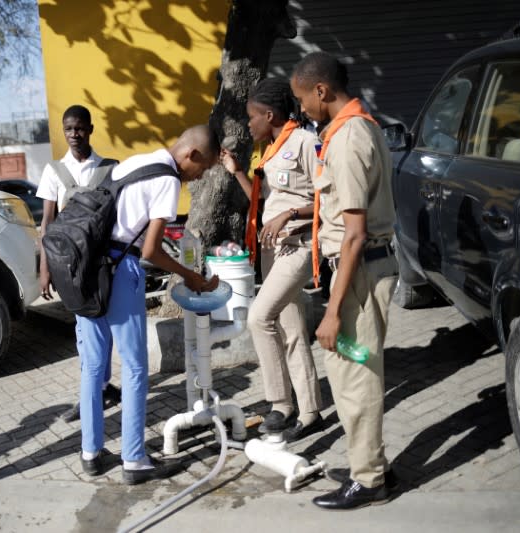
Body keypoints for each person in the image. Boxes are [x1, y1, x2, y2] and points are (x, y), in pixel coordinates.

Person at [76, 124, 220, 484]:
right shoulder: (168, 179)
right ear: (192, 155)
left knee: (93, 367)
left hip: (87, 268)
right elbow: (152, 250)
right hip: (119, 270)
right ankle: (135, 460)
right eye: (202, 170)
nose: (198, 177)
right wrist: (189, 275)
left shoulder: (134, 163)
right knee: (137, 368)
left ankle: (91, 452)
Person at [290, 52, 400, 510]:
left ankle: (369, 480)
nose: (301, 110)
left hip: (357, 274)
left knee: (355, 378)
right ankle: (370, 464)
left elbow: (353, 233)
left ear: (321, 91)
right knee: (354, 373)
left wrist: (333, 313)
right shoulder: (352, 130)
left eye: (302, 99)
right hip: (357, 271)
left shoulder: (350, 138)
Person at [219, 78, 324, 439]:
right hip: (272, 250)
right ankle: (310, 412)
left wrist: (291, 214)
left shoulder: (306, 143)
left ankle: (280, 403)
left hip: (297, 246)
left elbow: (330, 201)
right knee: (291, 330)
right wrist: (237, 174)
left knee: (259, 318)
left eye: (252, 117)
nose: (249, 124)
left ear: (269, 113)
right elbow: (262, 204)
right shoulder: (269, 150)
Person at [36, 105, 121, 423]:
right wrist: (44, 269)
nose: (74, 134)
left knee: (105, 327)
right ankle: (91, 394)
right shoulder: (54, 172)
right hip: (70, 267)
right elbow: (48, 223)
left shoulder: (110, 168)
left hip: (103, 261)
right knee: (84, 333)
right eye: (68, 129)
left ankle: (101, 386)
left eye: (80, 128)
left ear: (90, 129)